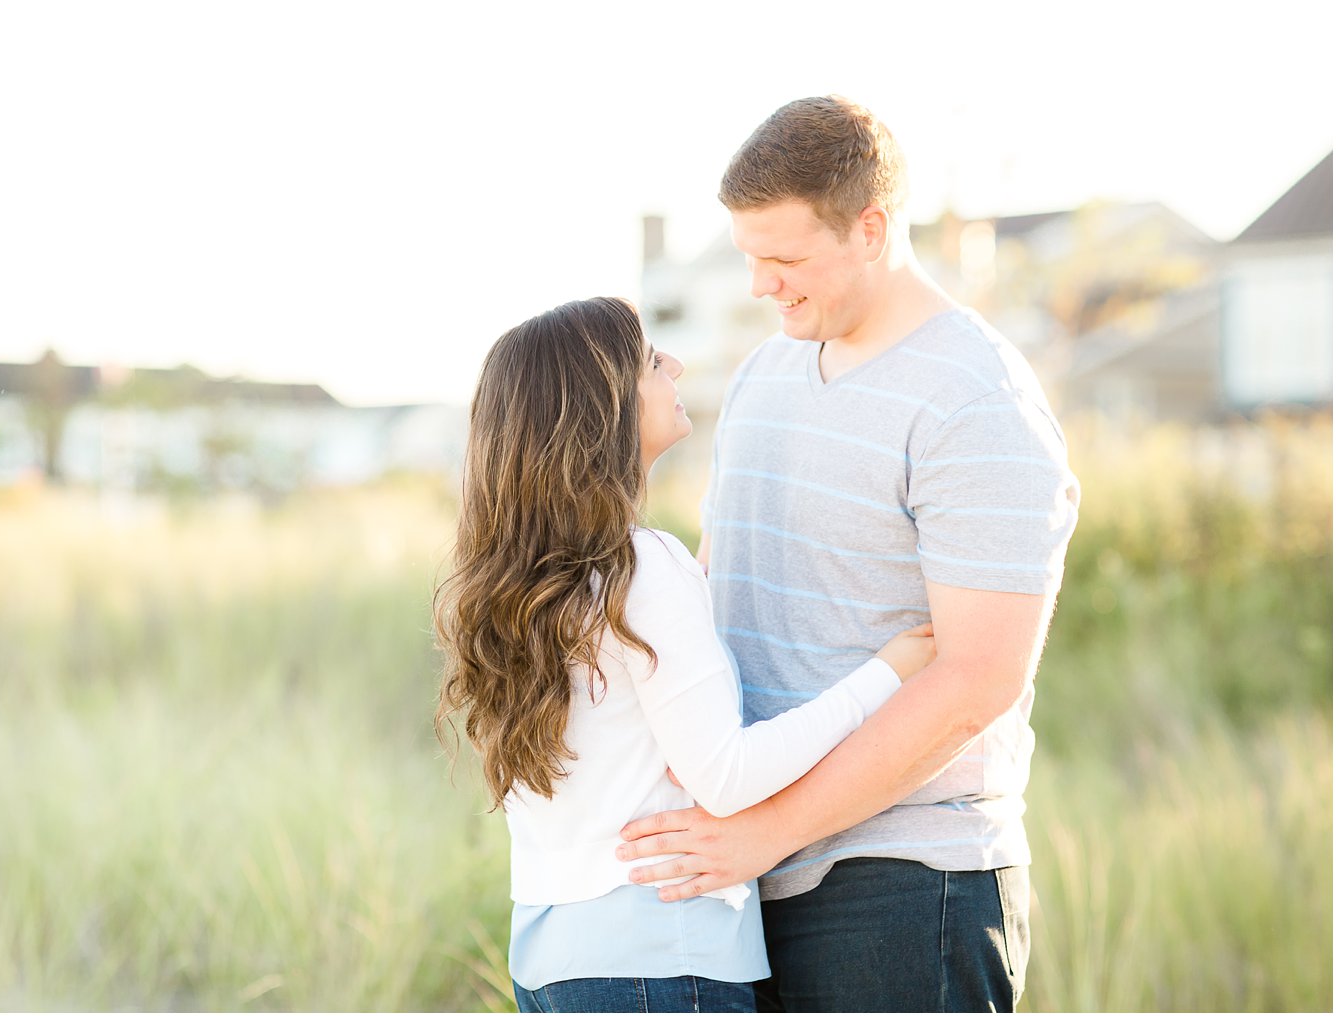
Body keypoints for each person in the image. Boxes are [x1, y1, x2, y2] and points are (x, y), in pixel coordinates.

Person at [615, 96, 1081, 1012]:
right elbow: (721, 590)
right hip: (751, 872)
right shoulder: (764, 374)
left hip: (904, 885)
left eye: (785, 259)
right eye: (751, 257)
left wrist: (769, 832)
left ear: (871, 229)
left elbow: (978, 679)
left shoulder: (974, 403)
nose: (761, 285)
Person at [434, 296, 939, 1014]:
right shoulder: (640, 568)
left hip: (551, 967)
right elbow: (726, 777)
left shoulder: (527, 588)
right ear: (600, 409)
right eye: (648, 359)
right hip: (659, 963)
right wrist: (887, 674)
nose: (673, 366)